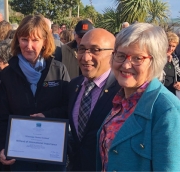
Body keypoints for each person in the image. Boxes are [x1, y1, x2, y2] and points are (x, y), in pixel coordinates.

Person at [97, 23, 180, 171]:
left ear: (155, 61)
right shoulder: (121, 100)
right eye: (121, 55)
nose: (126, 65)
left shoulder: (167, 110)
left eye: (137, 58)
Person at [0, 14, 70, 171]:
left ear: (44, 42)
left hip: (52, 155)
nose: (29, 45)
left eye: (35, 40)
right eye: (24, 39)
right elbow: (2, 117)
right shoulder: (7, 74)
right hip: (20, 157)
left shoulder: (58, 70)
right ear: (17, 40)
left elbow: (68, 108)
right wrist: (2, 147)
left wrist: (47, 116)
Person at [67, 28, 120, 171]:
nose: (85, 57)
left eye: (95, 50)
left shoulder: (122, 91)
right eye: (82, 49)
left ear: (113, 54)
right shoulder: (73, 86)